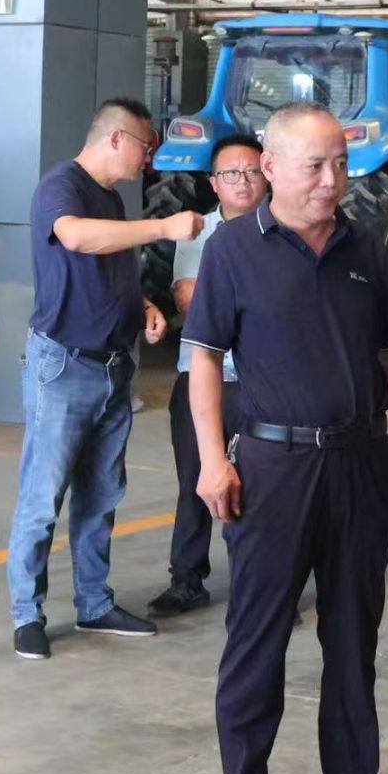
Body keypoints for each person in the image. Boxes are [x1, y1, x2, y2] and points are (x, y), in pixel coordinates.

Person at [184, 102, 388, 774]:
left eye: (340, 164)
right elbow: (203, 360)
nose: (332, 180)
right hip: (272, 469)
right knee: (255, 643)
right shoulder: (232, 250)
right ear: (270, 167)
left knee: (354, 637)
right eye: (315, 165)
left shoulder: (366, 248)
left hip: (360, 464)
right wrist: (212, 461)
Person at [7, 99, 199, 659]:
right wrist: (163, 226)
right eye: (146, 145)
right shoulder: (60, 188)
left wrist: (143, 305)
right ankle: (27, 615)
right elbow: (76, 238)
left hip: (113, 368)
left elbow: (107, 265)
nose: (149, 158)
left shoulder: (112, 199)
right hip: (64, 366)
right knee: (44, 497)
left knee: (101, 495)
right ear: (116, 139)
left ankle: (93, 604)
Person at [148, 135, 268, 619]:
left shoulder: (285, 233)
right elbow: (189, 301)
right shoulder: (196, 233)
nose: (242, 181)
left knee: (262, 485)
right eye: (230, 173)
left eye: (252, 171)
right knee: (195, 478)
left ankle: (260, 584)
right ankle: (187, 579)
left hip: (264, 382)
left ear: (268, 176)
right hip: (202, 378)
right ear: (214, 183)